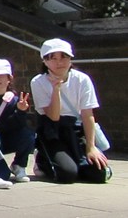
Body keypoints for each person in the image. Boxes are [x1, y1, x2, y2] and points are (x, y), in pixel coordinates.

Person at [30, 38, 110, 184]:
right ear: (45, 61)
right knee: (67, 175)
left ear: (70, 59)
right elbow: (53, 117)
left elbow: (87, 114)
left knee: (98, 174)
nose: (59, 62)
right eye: (52, 58)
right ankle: (42, 159)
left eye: (63, 57)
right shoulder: (38, 82)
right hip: (52, 131)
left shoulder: (82, 80)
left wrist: (91, 147)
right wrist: (56, 89)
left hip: (76, 129)